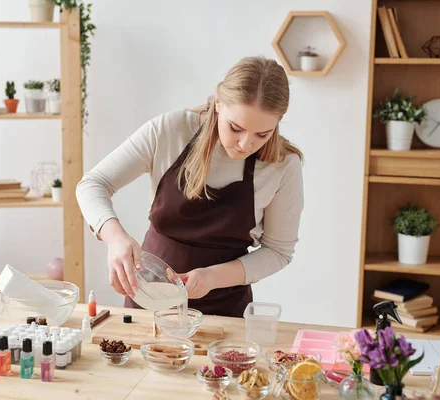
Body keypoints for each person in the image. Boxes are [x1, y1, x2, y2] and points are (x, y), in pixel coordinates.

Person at [76, 56, 304, 318]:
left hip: (225, 310)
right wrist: (114, 238)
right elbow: (93, 184)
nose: (245, 144)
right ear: (218, 104)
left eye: (262, 135)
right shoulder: (170, 131)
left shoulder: (283, 165)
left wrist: (211, 277)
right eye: (235, 128)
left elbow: (278, 251)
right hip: (149, 296)